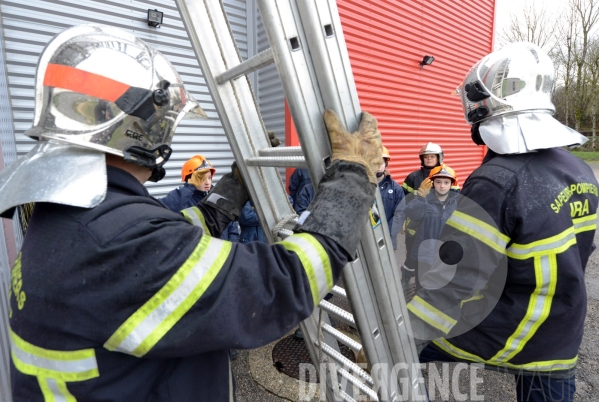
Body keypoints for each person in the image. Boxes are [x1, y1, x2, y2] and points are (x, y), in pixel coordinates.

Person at [0, 25, 383, 401]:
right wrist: (353, 181)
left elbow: (170, 240)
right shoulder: (113, 242)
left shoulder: (68, 220)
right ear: (140, 131)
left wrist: (233, 190)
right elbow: (277, 285)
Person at [407, 42, 597, 402]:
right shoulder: (579, 170)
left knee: (400, 358)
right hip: (560, 327)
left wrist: (405, 335)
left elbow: (455, 275)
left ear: (483, 105)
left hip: (506, 326)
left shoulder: (496, 181)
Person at [403, 164, 458, 291]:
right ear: (432, 183)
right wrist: (420, 198)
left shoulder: (457, 204)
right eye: (438, 182)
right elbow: (412, 214)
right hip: (425, 254)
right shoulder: (425, 201)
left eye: (446, 182)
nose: (442, 185)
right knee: (421, 287)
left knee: (442, 287)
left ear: (452, 184)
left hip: (446, 255)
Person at [161, 155, 239, 242]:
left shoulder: (218, 198)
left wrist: (232, 247)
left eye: (209, 178)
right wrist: (189, 187)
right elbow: (164, 209)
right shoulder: (181, 201)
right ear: (190, 179)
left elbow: (232, 227)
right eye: (201, 178)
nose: (207, 182)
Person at [376, 146, 404, 250]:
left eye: (381, 162)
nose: (378, 166)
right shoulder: (360, 186)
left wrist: (385, 232)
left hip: (387, 240)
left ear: (386, 164)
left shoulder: (396, 189)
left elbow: (400, 214)